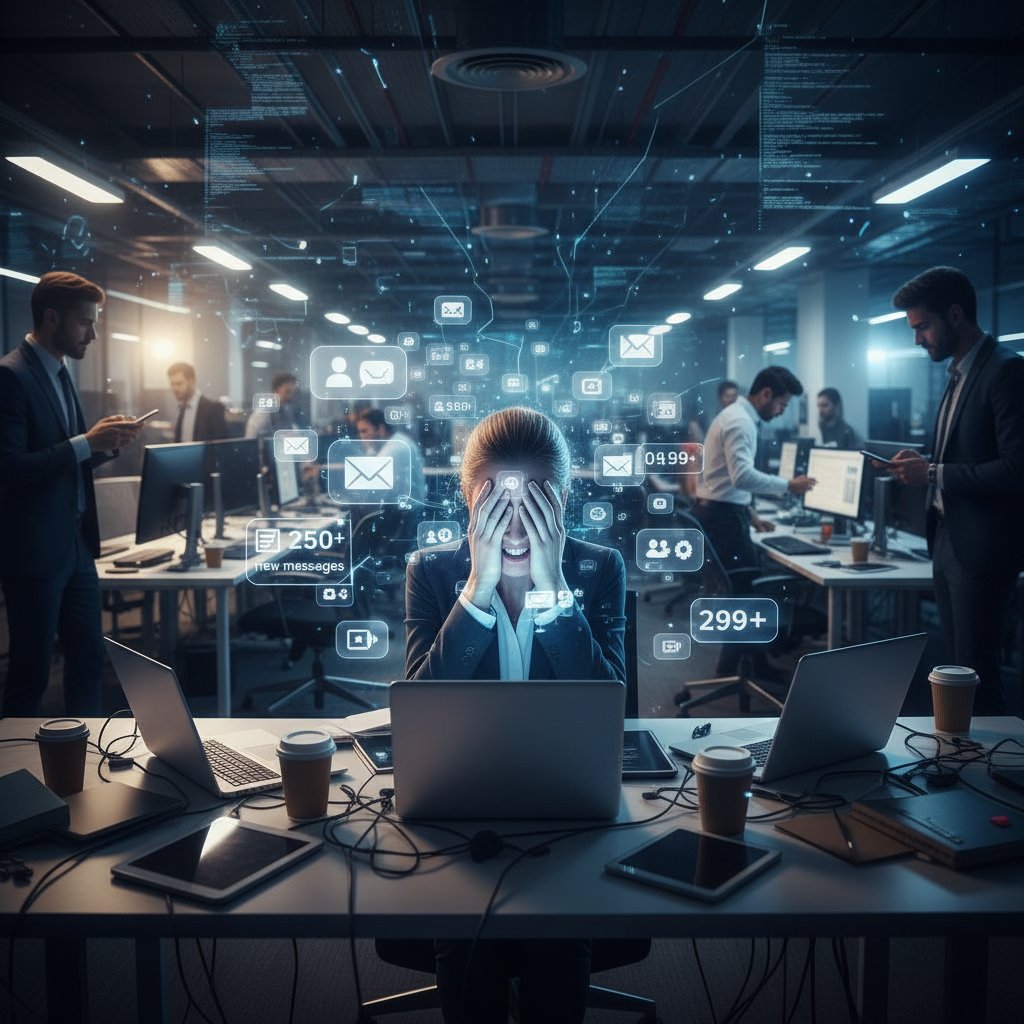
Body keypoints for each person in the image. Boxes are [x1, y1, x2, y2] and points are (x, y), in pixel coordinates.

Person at [405, 406, 626, 1024]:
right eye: (499, 507)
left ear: (565, 500)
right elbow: (420, 708)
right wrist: (478, 587)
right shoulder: (434, 572)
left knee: (557, 942)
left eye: (537, 505)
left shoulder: (596, 569)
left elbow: (609, 708)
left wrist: (554, 590)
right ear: (468, 500)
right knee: (467, 940)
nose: (518, 528)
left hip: (569, 813)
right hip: (460, 812)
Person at [0, 272, 142, 715]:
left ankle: (79, 767)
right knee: (32, 674)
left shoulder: (61, 374)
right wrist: (87, 443)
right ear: (52, 318)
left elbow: (63, 461)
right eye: (86, 323)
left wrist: (105, 446)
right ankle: (15, 777)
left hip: (77, 549)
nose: (94, 335)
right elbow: (9, 469)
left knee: (88, 662)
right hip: (36, 554)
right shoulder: (10, 376)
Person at [887, 266, 1024, 715]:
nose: (917, 338)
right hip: (946, 536)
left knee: (977, 674)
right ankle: (964, 762)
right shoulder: (956, 374)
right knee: (956, 672)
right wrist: (922, 462)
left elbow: (1015, 468)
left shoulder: (1004, 371)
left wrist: (933, 474)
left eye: (922, 326)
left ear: (956, 315)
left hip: (982, 545)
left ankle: (991, 778)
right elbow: (956, 451)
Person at [694, 367, 816, 677]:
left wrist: (750, 513)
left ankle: (742, 667)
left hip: (720, 511)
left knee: (741, 592)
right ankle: (743, 670)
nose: (782, 411)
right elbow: (742, 476)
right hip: (723, 519)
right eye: (782, 404)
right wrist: (790, 485)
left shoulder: (733, 415)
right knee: (746, 591)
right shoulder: (741, 422)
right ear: (766, 394)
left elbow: (722, 480)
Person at [356, 407, 427, 506]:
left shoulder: (393, 450)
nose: (361, 436)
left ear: (381, 429)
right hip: (407, 507)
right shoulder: (398, 440)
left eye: (364, 431)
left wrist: (369, 449)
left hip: (404, 513)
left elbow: (370, 489)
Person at [166, 361, 228, 442]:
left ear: (192, 381)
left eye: (179, 384)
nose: (175, 389)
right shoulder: (181, 408)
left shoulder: (213, 408)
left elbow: (220, 446)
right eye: (172, 384)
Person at [245, 371, 304, 438]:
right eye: (287, 392)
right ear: (277, 389)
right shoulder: (265, 411)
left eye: (292, 393)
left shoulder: (285, 409)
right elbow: (253, 437)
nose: (290, 396)